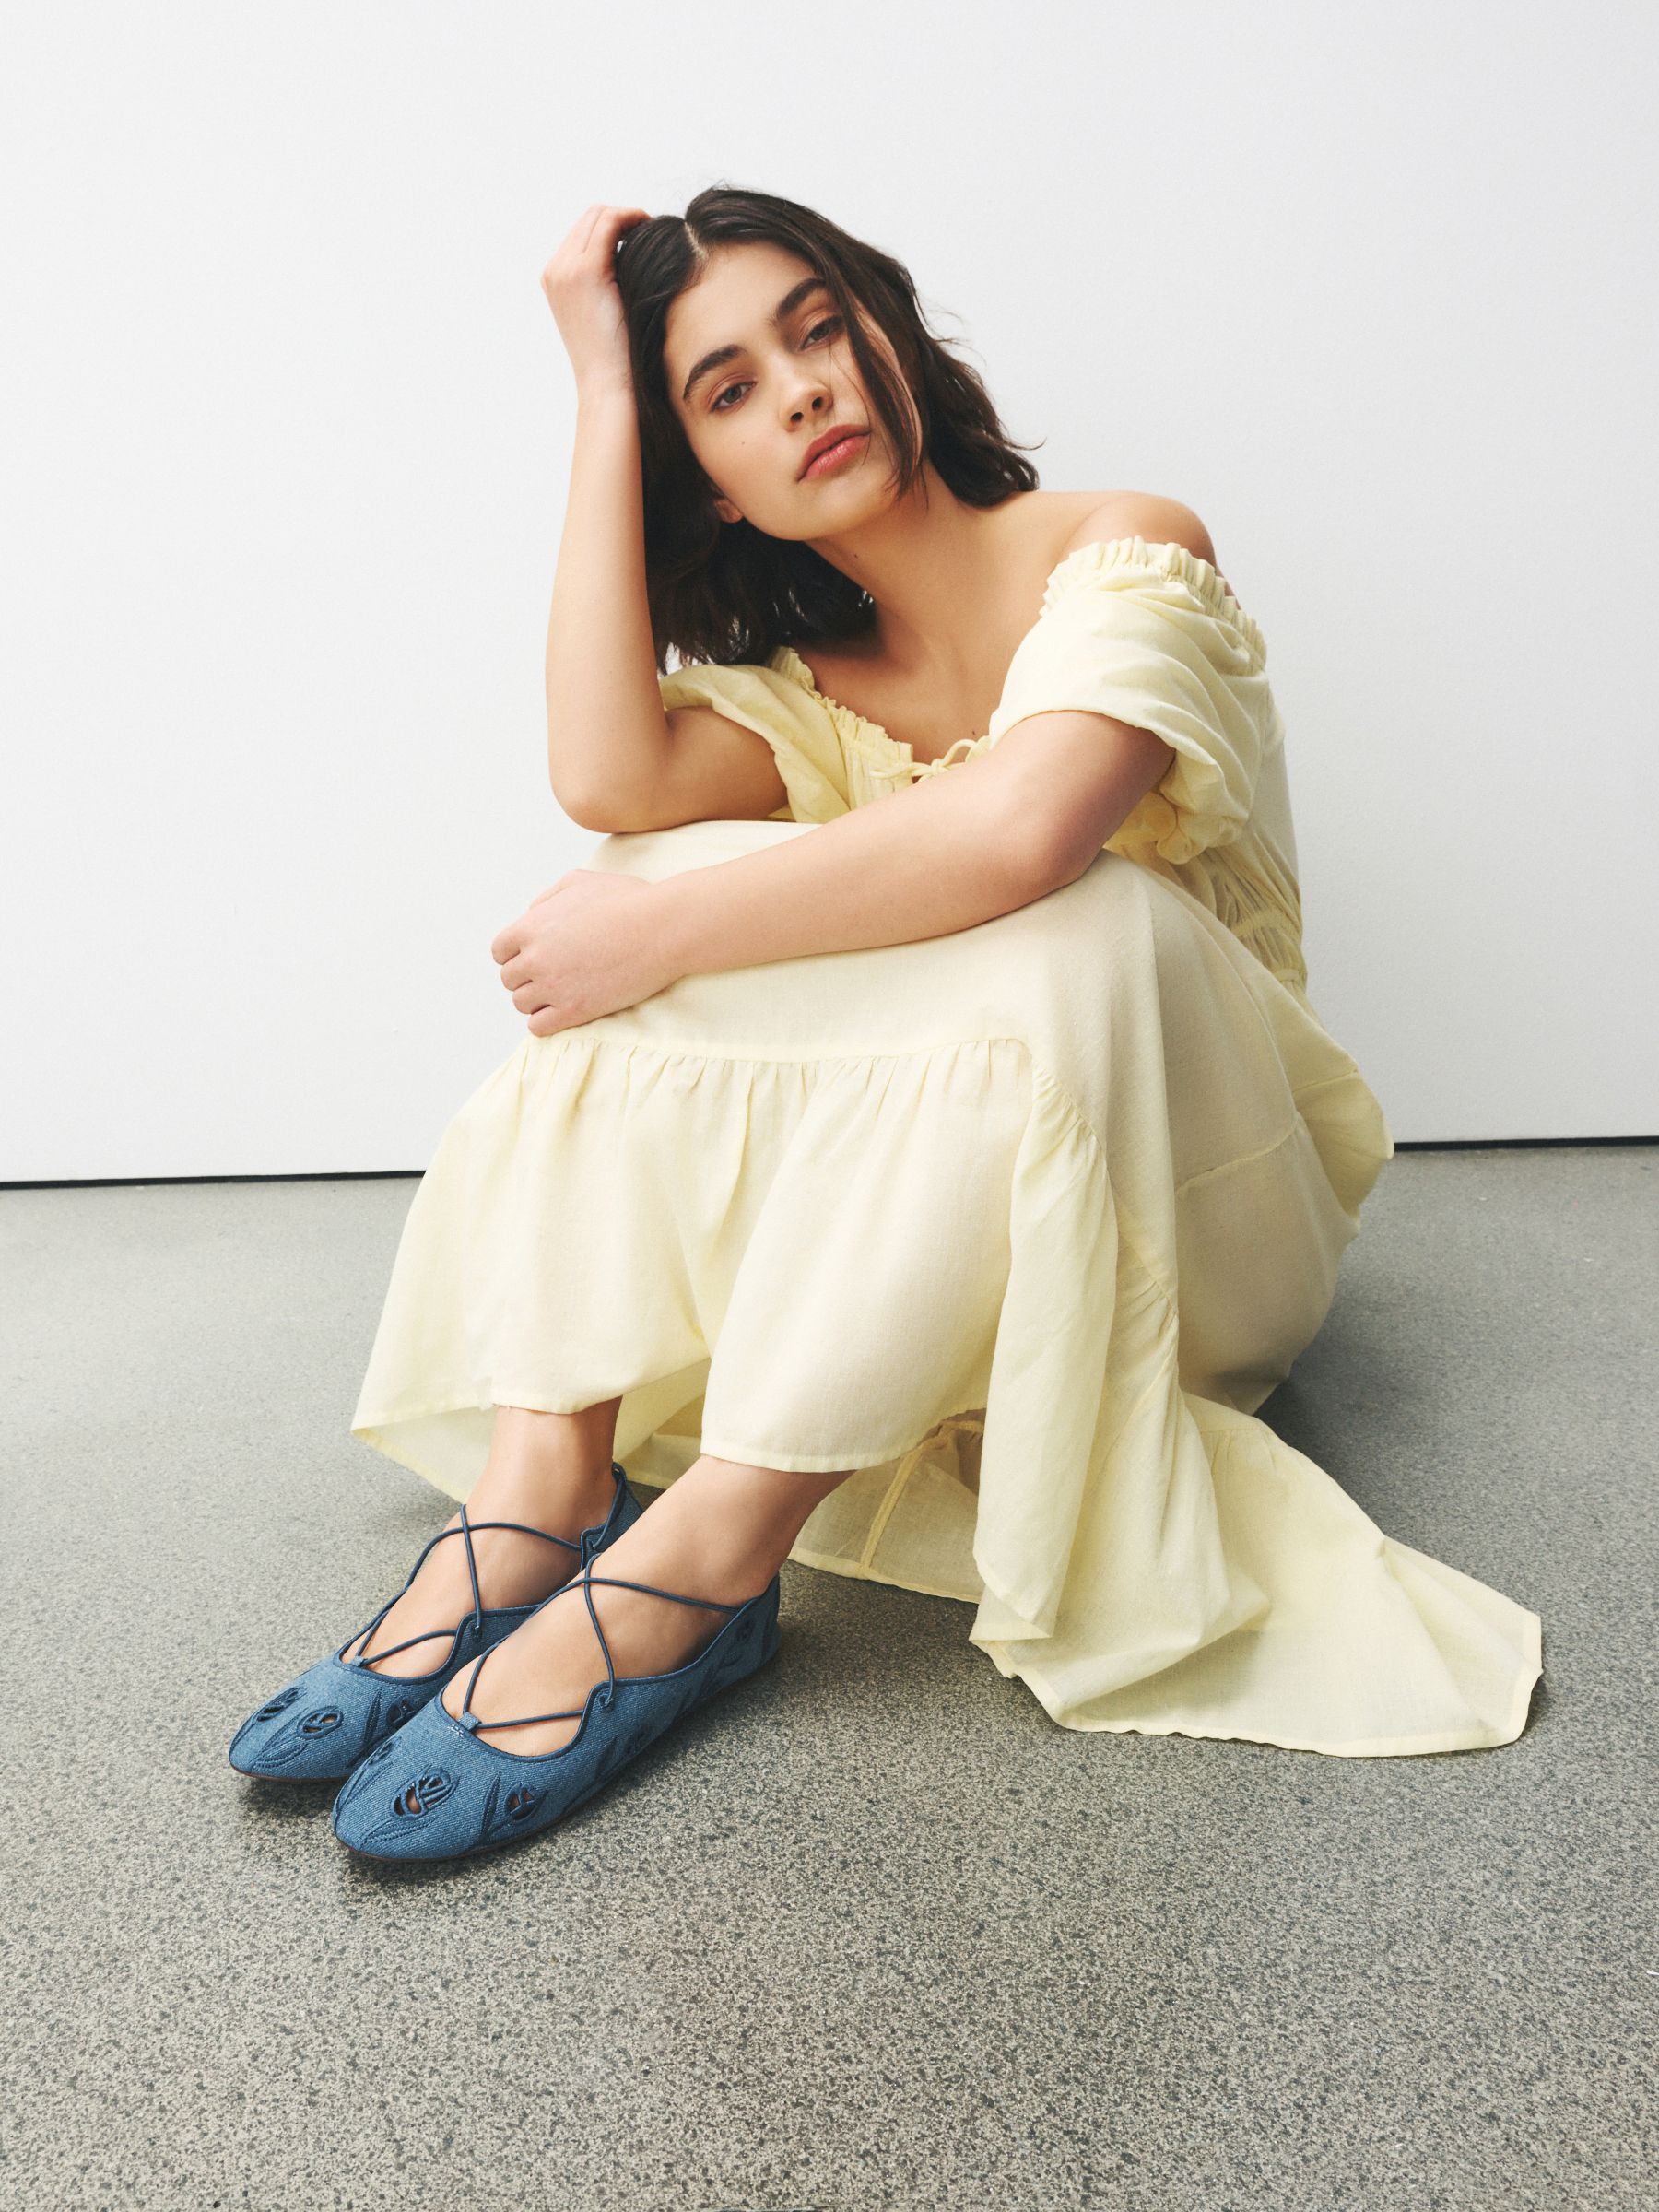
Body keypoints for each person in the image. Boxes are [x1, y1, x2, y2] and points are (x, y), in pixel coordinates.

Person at [230, 187, 1543, 1862]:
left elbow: (1022, 833)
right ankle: (539, 1486)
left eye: (816, 332)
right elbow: (607, 778)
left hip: (1197, 1222)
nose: (797, 392)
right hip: (961, 1263)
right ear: (713, 478)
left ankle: (708, 1561)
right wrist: (602, 397)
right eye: (725, 391)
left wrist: (653, 933)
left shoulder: (1124, 545)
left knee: (1068, 915)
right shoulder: (810, 694)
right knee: (648, 858)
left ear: (890, 339)